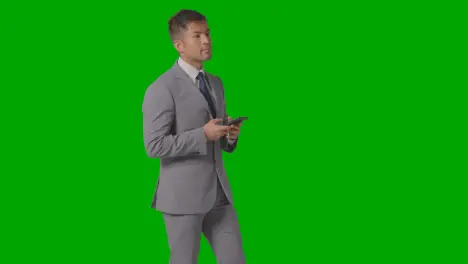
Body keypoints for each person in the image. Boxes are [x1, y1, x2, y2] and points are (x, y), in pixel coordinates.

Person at [142, 9, 246, 264]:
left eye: (208, 33)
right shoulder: (162, 88)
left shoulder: (216, 83)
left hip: (219, 195)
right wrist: (203, 134)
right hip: (182, 199)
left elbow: (218, 140)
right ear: (179, 45)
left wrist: (229, 136)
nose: (206, 41)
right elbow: (154, 146)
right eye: (197, 35)